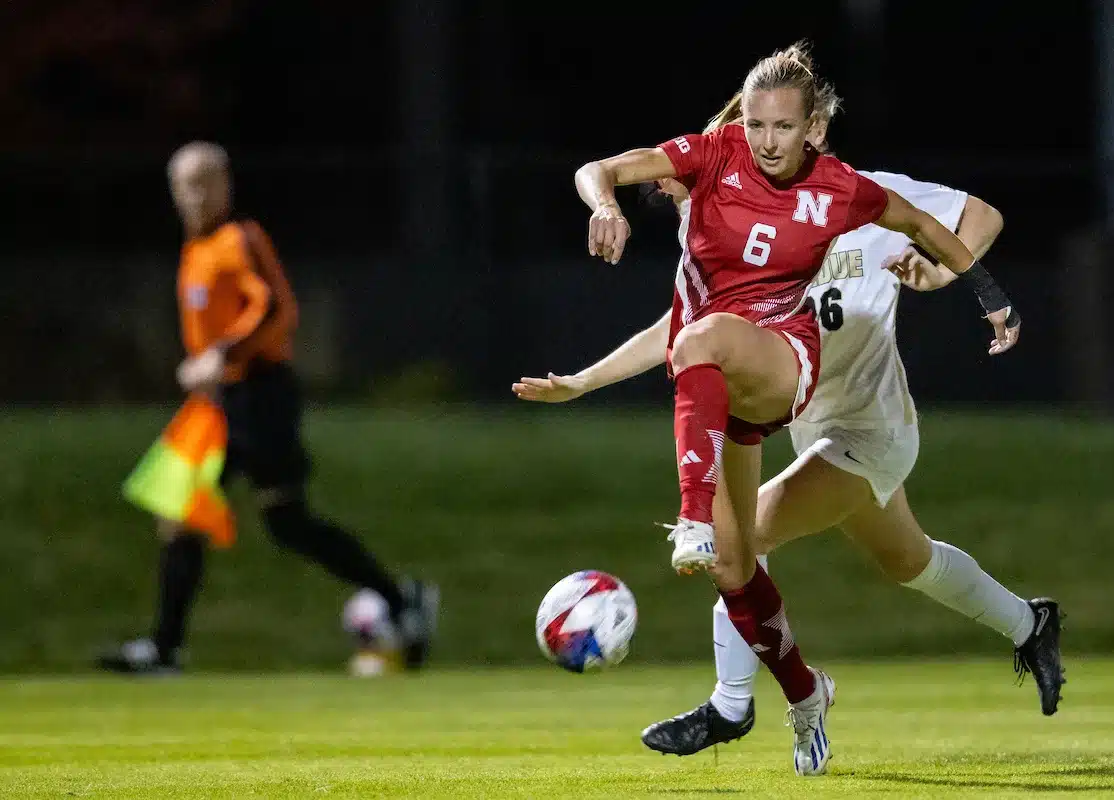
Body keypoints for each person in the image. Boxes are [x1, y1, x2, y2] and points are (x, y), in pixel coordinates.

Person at [517, 62, 1063, 770]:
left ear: (813, 130)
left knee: (744, 534)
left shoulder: (860, 193)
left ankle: (732, 702)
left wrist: (944, 272)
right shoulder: (731, 220)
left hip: (868, 427)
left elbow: (979, 216)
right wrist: (586, 381)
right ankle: (1031, 623)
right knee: (908, 560)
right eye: (753, 129)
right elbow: (680, 334)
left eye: (779, 128)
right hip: (808, 421)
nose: (762, 145)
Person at [98, 142, 439, 674]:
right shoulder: (195, 251)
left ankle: (399, 600)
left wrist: (221, 354)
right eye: (187, 184)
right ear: (173, 193)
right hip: (216, 405)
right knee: (181, 515)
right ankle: (165, 650)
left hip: (259, 393)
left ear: (226, 186)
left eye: (207, 181)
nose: (197, 194)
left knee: (285, 522)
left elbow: (278, 307)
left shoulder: (241, 239)